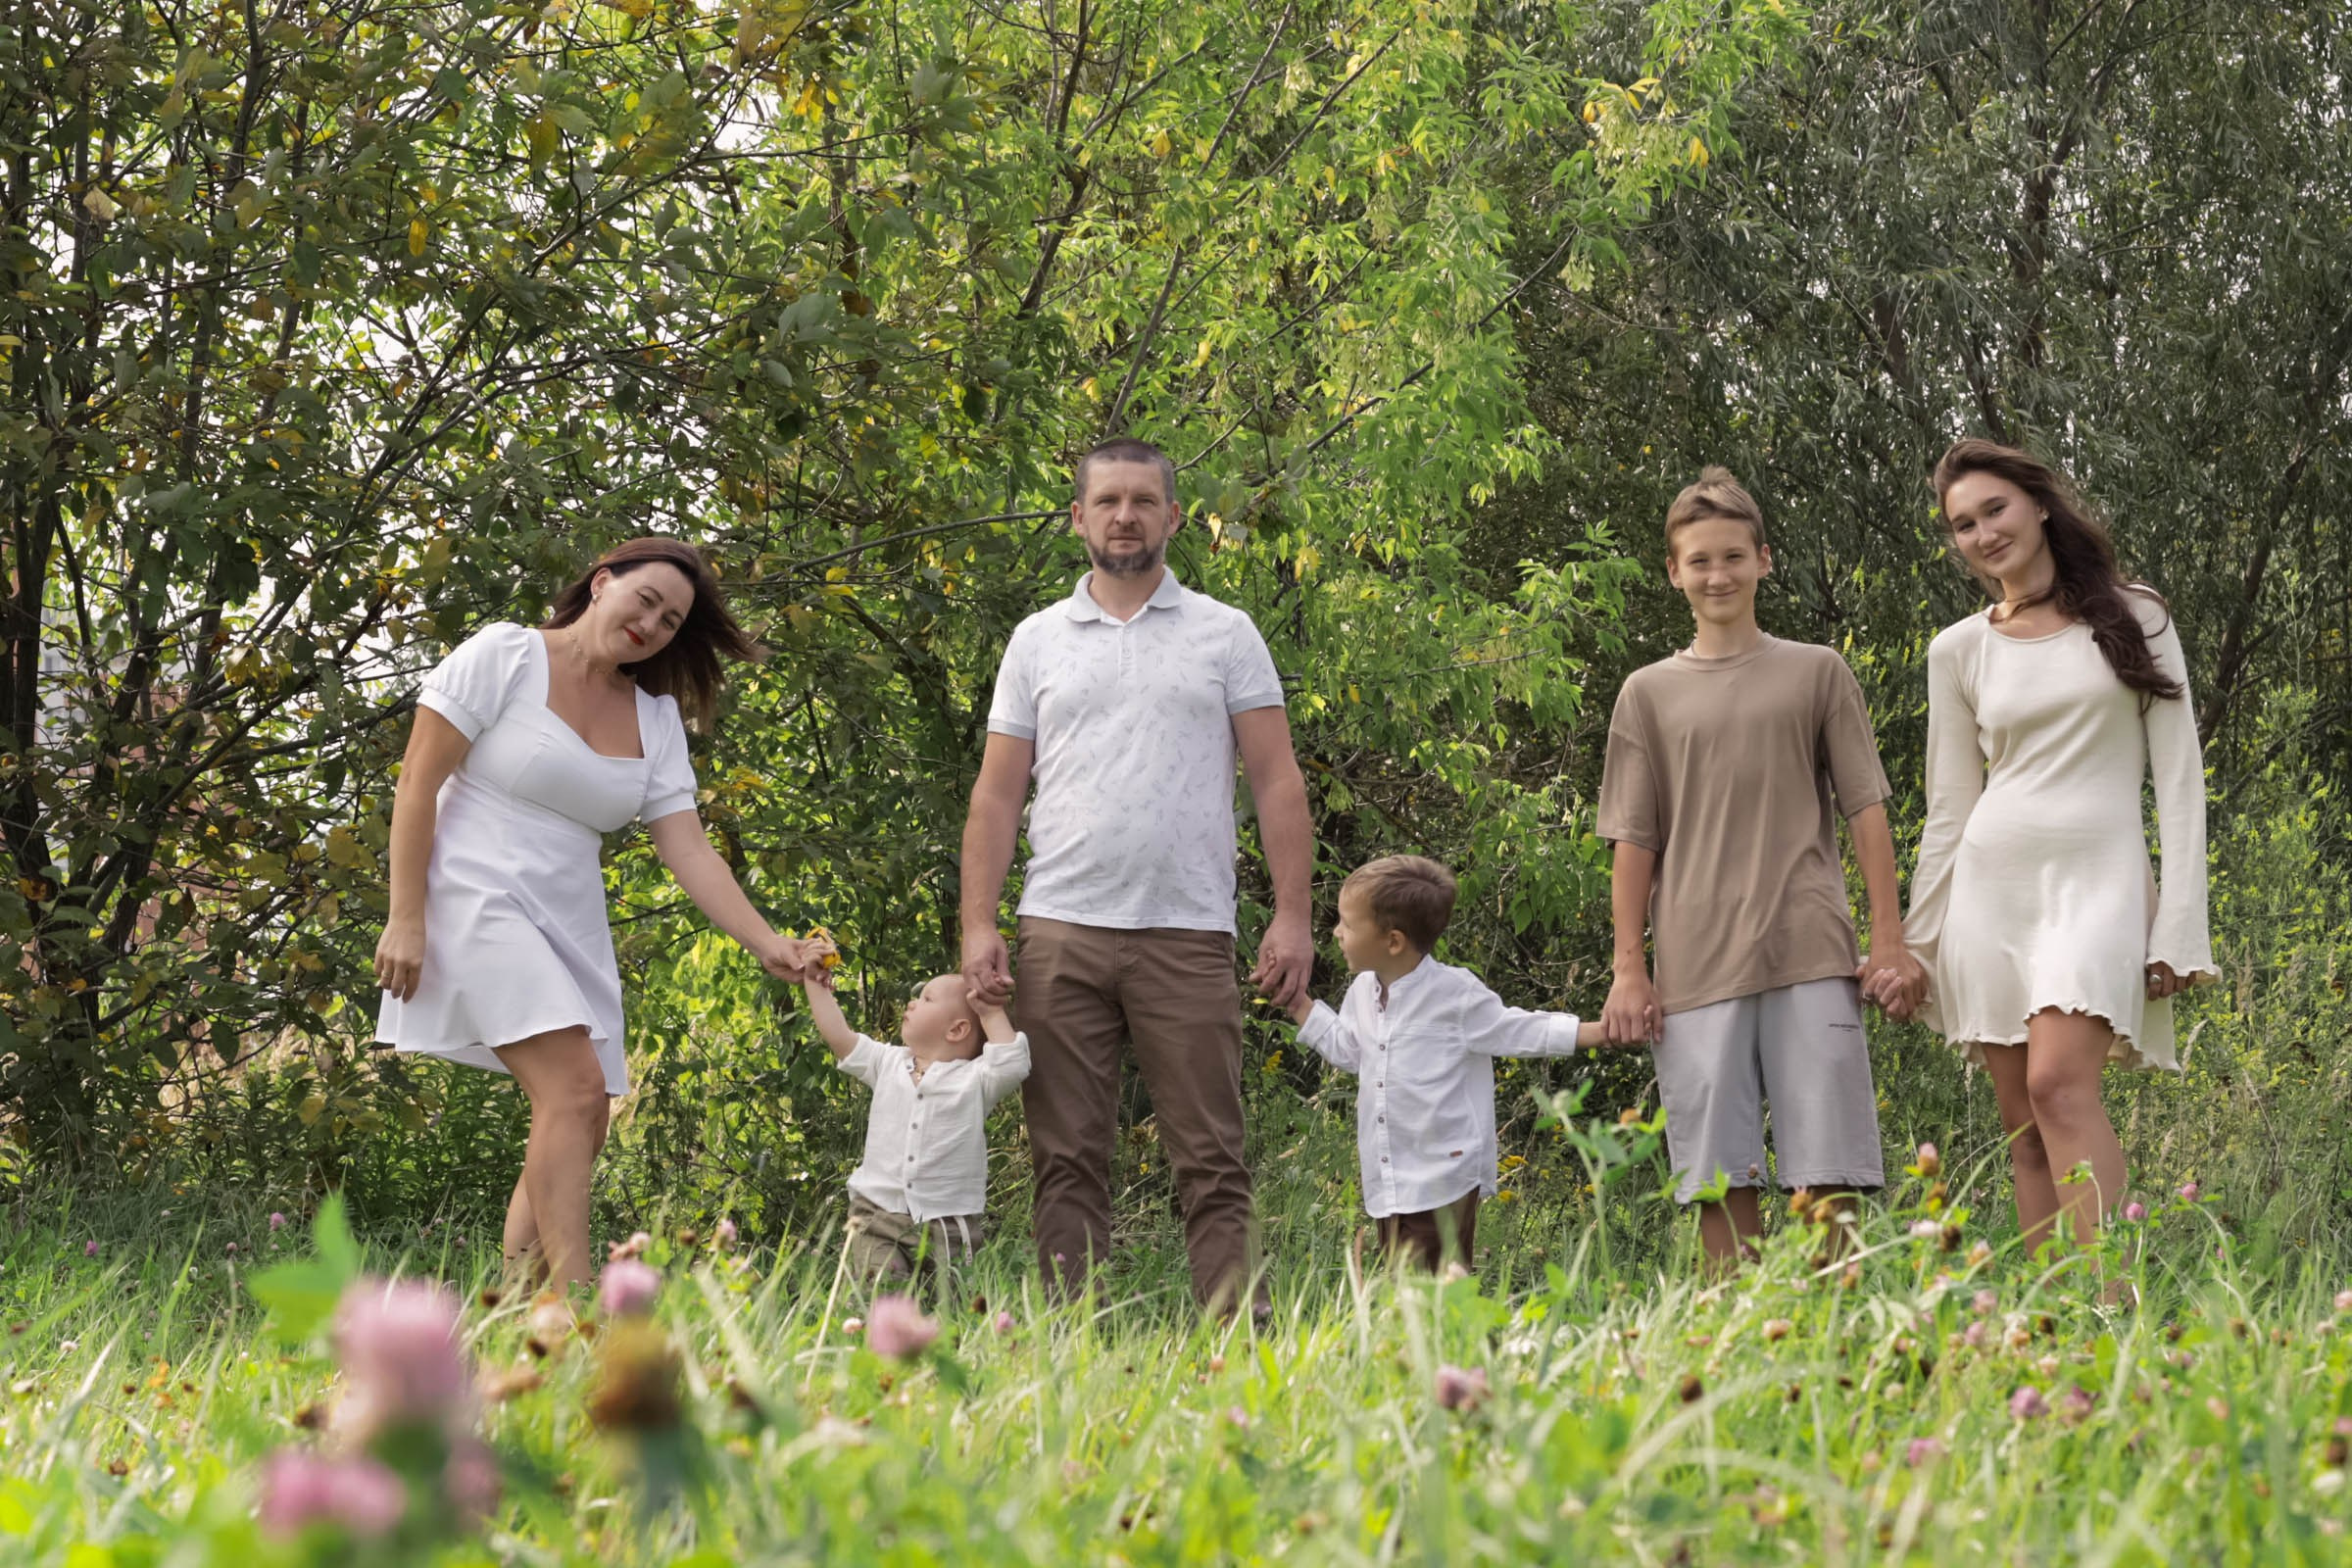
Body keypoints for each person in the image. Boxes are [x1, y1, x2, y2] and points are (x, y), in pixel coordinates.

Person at [373, 538, 821, 1289]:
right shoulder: (505, 654)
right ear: (603, 583)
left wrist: (765, 940)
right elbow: (418, 779)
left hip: (567, 915)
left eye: (672, 620)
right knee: (572, 1089)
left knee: (586, 1115)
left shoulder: (655, 719)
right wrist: (406, 916)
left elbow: (691, 850)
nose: (653, 624)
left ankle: (516, 1313)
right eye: (645, 600)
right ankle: (579, 1308)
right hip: (472, 891)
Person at [959, 436, 1315, 1315]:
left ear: (1174, 518)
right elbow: (998, 797)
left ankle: (1240, 1341)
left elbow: (1277, 781)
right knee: (1067, 1157)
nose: (1126, 516)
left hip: (1188, 930)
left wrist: (1294, 916)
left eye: (1143, 501)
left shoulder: (1225, 634)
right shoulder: (1038, 640)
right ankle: (1068, 1344)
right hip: (1059, 930)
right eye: (1108, 501)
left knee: (1211, 1154)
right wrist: (978, 924)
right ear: (1079, 517)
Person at [1597, 467, 1925, 1273]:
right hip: (1695, 964)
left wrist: (1890, 940)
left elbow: (1867, 811)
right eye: (1700, 560)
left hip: (1809, 948)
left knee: (1829, 1172)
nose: (1718, 575)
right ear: (1673, 570)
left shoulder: (1817, 672)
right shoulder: (1646, 694)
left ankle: (1839, 1345)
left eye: (1734, 557)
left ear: (1764, 562)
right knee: (1718, 1179)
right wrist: (1628, 971)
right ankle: (1737, 1341)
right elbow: (1634, 841)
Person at [1899, 439, 2213, 1259]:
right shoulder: (1958, 650)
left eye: (1993, 509)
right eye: (1962, 525)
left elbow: (2180, 782)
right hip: (1990, 892)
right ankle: (2051, 1325)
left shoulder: (2135, 614)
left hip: (2098, 881)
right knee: (2023, 1131)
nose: (1982, 533)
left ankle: (2114, 1307)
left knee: (2058, 1087)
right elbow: (1948, 809)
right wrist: (1915, 943)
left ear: (2038, 504)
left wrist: (2180, 923)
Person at [1284, 855, 1605, 1272]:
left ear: (1393, 941)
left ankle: (1455, 1338)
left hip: (1443, 1177)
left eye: (1347, 923)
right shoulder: (1363, 991)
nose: (1337, 932)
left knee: (1433, 1298)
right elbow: (1350, 1051)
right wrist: (1300, 1005)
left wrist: (1599, 1032)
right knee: (1409, 1295)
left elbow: (1517, 1029)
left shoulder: (1454, 995)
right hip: (1392, 1175)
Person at [796, 947, 1031, 1285]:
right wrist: (814, 982)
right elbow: (840, 1038)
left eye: (927, 999)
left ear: (956, 1030)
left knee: (952, 1306)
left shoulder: (975, 1079)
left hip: (947, 1224)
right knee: (879, 1286)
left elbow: (1013, 1062)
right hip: (876, 1214)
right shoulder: (887, 1062)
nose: (912, 1002)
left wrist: (990, 1010)